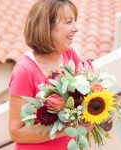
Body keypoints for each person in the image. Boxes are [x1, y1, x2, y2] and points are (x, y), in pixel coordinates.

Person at [9, 0, 93, 150]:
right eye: (68, 22)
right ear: (47, 26)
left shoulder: (69, 55)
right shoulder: (25, 70)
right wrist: (70, 126)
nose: (76, 29)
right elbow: (16, 132)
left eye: (75, 21)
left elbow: (91, 87)